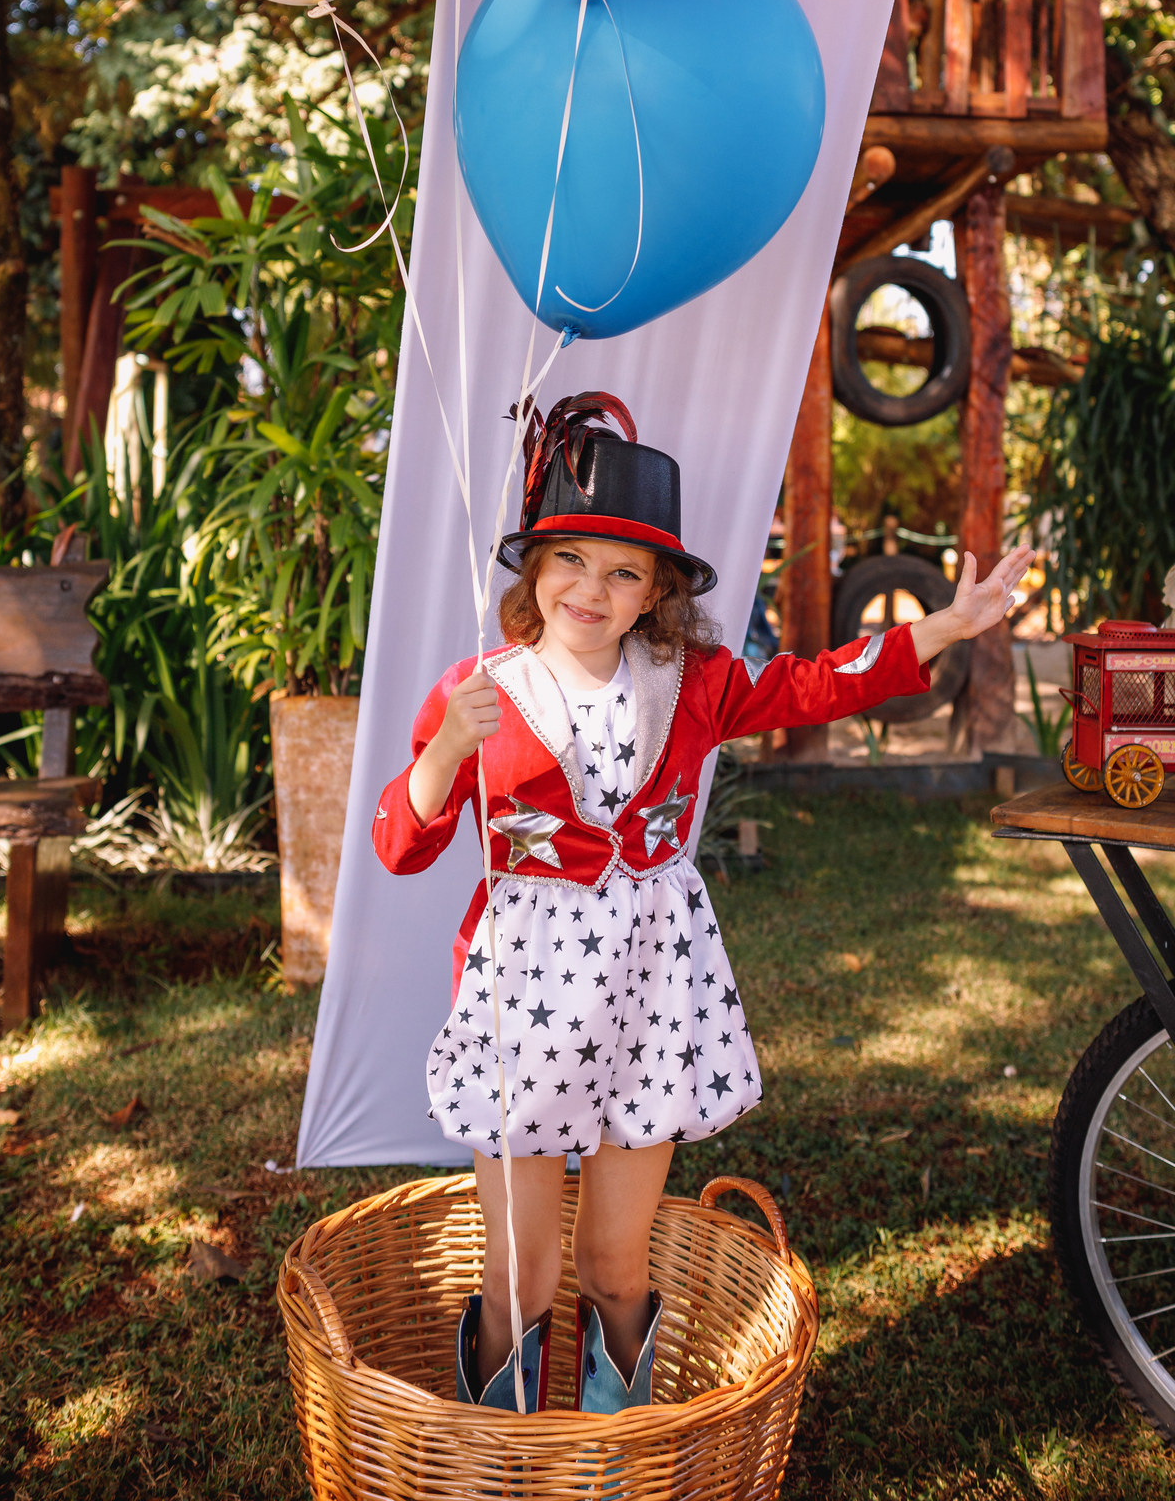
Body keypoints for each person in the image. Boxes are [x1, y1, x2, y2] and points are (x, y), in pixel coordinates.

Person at [374, 392, 1032, 1416]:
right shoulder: (480, 688)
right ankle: (494, 1462)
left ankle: (614, 1461)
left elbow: (815, 687)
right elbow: (399, 845)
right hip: (524, 1001)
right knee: (520, 1276)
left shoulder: (697, 681)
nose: (590, 588)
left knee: (616, 1266)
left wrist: (944, 624)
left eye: (623, 571)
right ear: (533, 570)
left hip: (651, 991)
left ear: (657, 593)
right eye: (569, 560)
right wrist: (450, 749)